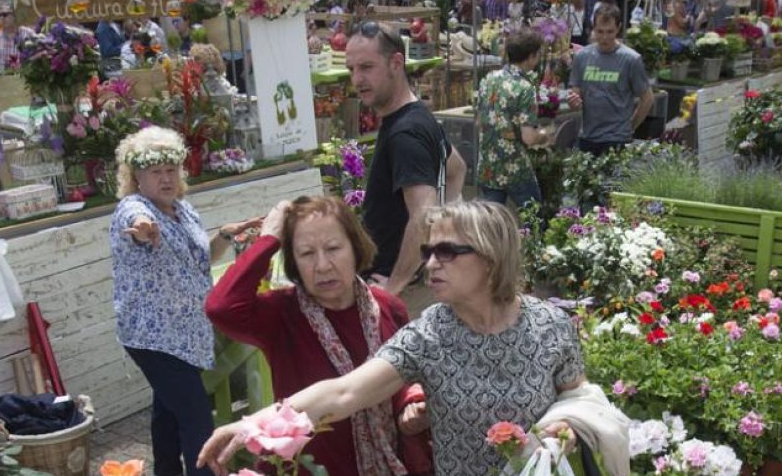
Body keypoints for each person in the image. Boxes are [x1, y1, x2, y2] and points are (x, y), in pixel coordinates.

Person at [198, 201, 587, 476]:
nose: (431, 263)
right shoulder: (429, 332)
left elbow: (579, 399)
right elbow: (343, 393)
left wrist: (567, 429)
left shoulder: (551, 325)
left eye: (447, 252)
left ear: (491, 256)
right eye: (428, 251)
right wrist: (257, 424)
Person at [205, 196, 428, 476]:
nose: (322, 265)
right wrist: (269, 240)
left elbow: (402, 377)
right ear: (294, 262)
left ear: (355, 248)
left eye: (333, 248)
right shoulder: (281, 313)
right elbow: (220, 308)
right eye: (307, 254)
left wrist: (411, 404)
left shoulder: (387, 307)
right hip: (308, 467)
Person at [110, 127, 225, 476]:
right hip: (154, 338)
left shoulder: (184, 210)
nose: (166, 178)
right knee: (197, 421)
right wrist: (145, 229)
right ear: (137, 177)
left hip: (186, 336)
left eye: (171, 170)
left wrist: (227, 236)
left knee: (168, 414)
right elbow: (138, 224)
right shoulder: (134, 208)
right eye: (155, 172)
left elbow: (202, 261)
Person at [345, 21, 466, 307]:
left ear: (396, 63)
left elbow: (423, 216)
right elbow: (457, 167)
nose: (357, 79)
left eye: (366, 67)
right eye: (352, 69)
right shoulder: (418, 117)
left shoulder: (405, 133)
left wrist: (394, 286)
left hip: (396, 291)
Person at [475, 28, 551, 208]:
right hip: (514, 166)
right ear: (531, 56)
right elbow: (529, 138)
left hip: (488, 164)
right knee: (533, 219)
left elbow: (480, 120)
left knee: (490, 225)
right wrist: (545, 135)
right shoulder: (524, 88)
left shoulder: (488, 79)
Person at [568, 3, 654, 156]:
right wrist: (574, 102)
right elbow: (575, 95)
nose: (604, 37)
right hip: (588, 137)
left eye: (610, 32)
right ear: (593, 28)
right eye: (600, 31)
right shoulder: (582, 57)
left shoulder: (631, 59)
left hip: (617, 139)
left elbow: (647, 98)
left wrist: (631, 127)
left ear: (619, 28)